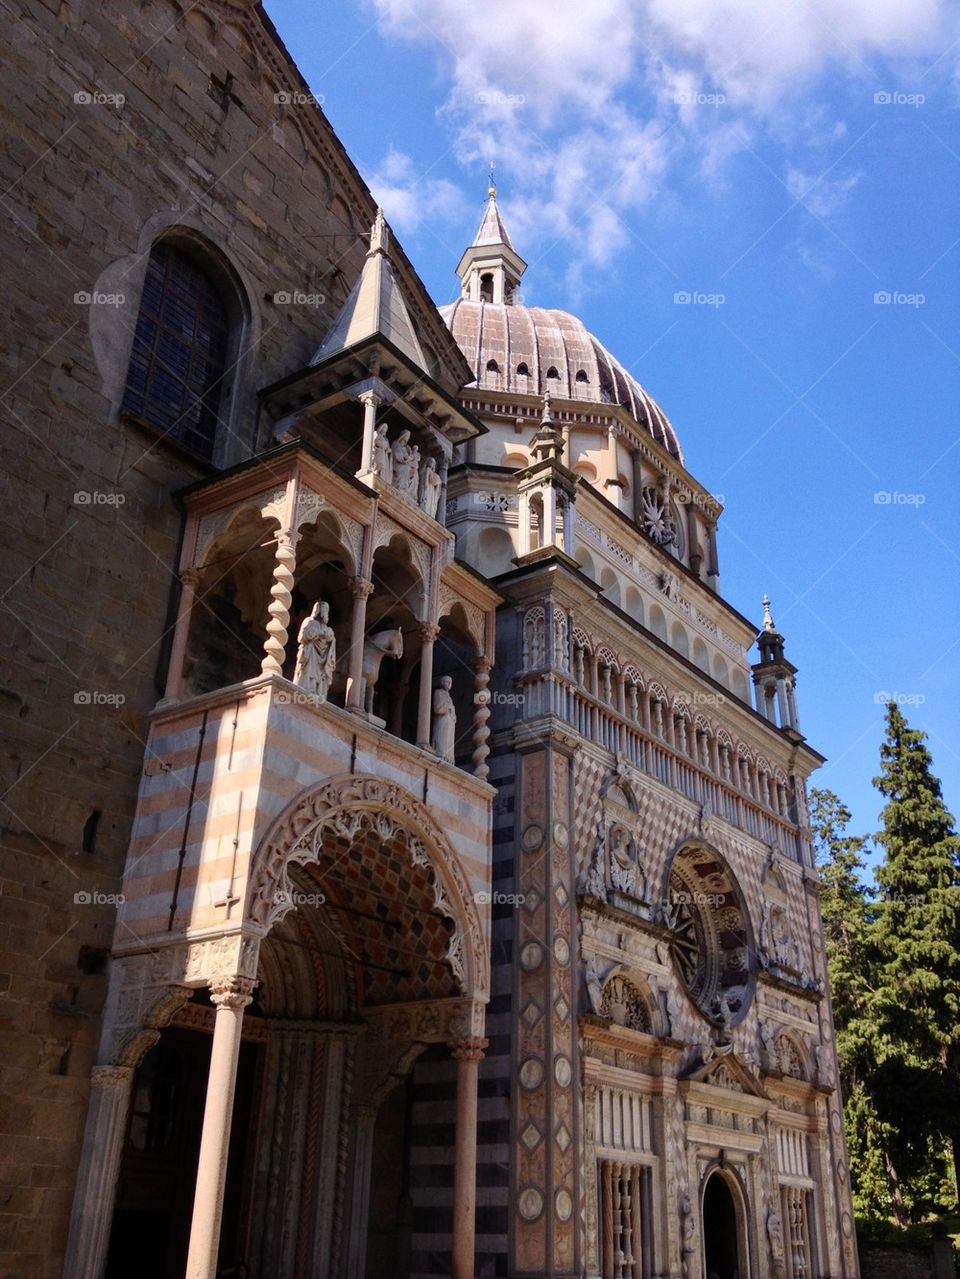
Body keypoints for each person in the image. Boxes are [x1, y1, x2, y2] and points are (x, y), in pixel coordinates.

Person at [292, 600, 336, 702]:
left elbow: (331, 639)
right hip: (310, 653)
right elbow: (301, 637)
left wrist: (329, 638)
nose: (323, 613)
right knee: (308, 671)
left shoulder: (327, 628)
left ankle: (318, 692)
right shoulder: (309, 621)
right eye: (322, 610)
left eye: (326, 610)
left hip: (323, 657)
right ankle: (306, 688)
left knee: (320, 676)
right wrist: (316, 634)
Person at [431, 674, 456, 761]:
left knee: (448, 739)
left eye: (450, 682)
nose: (449, 683)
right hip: (442, 720)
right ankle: (440, 753)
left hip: (449, 721)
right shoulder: (438, 692)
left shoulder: (449, 696)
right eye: (447, 681)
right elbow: (437, 707)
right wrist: (449, 707)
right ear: (442, 683)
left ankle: (448, 757)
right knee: (441, 737)